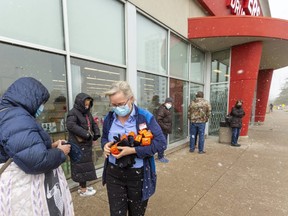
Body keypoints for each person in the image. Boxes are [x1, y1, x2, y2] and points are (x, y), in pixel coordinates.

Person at [0, 77, 74, 215]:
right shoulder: (16, 118)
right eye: (42, 102)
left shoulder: (8, 113)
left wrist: (51, 146)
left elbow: (20, 150)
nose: (42, 107)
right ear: (32, 97)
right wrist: (60, 152)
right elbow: (36, 160)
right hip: (22, 189)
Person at [101, 81, 166, 216]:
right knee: (116, 213)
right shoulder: (109, 118)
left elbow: (161, 143)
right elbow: (104, 138)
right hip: (114, 173)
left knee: (136, 213)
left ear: (131, 99)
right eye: (114, 105)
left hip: (137, 175)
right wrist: (105, 146)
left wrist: (133, 151)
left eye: (120, 104)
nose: (117, 108)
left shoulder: (145, 117)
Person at [66, 93, 101, 197]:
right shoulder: (73, 112)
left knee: (85, 166)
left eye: (88, 104)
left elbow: (93, 124)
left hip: (85, 144)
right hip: (78, 144)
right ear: (80, 103)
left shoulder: (87, 113)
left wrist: (96, 133)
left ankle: (83, 186)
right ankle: (83, 190)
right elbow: (71, 125)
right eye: (85, 104)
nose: (87, 106)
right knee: (80, 167)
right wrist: (86, 134)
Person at [155, 97, 173, 163]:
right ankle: (160, 157)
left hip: (165, 129)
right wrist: (165, 127)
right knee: (162, 143)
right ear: (165, 103)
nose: (170, 104)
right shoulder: (162, 109)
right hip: (162, 129)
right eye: (169, 103)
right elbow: (158, 120)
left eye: (171, 103)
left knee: (163, 143)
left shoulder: (167, 109)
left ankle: (161, 155)